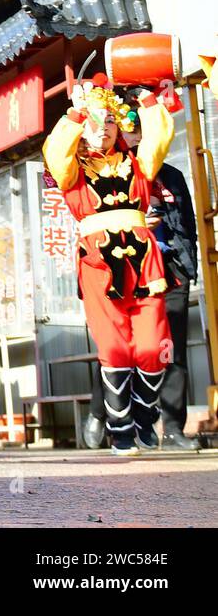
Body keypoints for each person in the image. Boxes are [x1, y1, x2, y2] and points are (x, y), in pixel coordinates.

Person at [42, 78, 173, 455]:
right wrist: (76, 114)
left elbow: (158, 139)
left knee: (152, 346)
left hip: (144, 262)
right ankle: (121, 430)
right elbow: (56, 152)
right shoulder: (72, 173)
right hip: (98, 263)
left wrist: (148, 102)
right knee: (114, 347)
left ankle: (146, 414)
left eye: (109, 123)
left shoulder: (138, 164)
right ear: (83, 131)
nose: (103, 131)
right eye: (94, 125)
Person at [83, 96, 201, 451]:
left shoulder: (170, 175)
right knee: (118, 346)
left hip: (169, 270)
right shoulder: (104, 171)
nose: (133, 138)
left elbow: (187, 225)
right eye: (128, 131)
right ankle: (102, 414)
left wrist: (186, 263)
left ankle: (172, 426)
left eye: (138, 131)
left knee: (166, 350)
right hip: (121, 269)